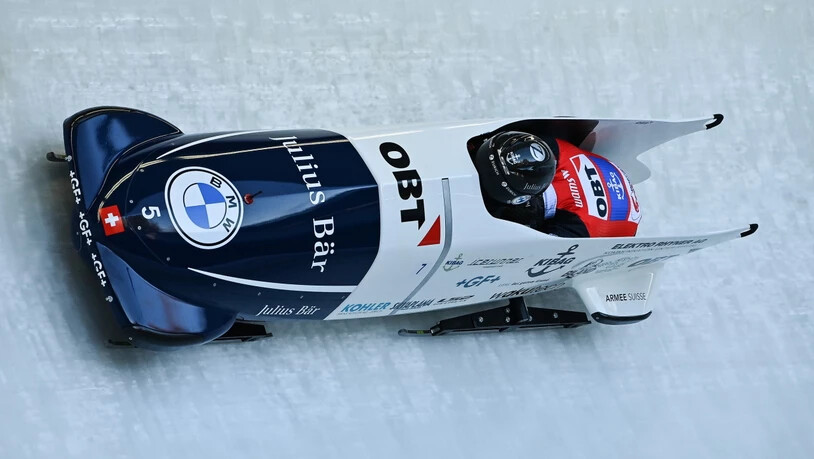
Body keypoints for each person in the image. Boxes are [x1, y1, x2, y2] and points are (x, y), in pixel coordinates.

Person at [473, 131, 641, 238]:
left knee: (518, 218)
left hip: (614, 222)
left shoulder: (581, 225)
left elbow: (539, 254)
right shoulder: (547, 146)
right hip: (602, 172)